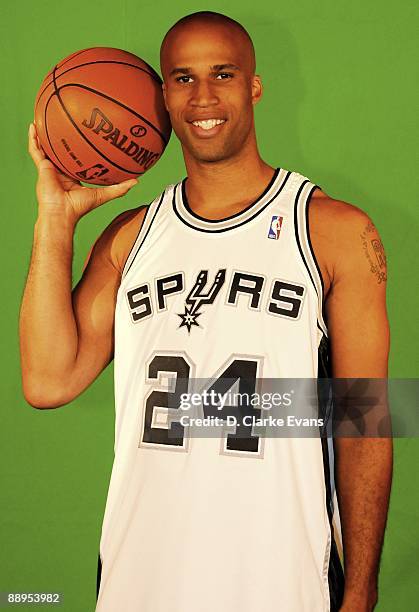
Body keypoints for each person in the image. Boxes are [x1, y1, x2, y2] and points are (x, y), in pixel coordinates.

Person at [20, 11, 392, 612]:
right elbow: (46, 380)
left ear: (254, 85)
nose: (203, 97)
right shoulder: (129, 238)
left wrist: (361, 592)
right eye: (183, 78)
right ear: (163, 98)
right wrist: (56, 217)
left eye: (222, 73)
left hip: (280, 577)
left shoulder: (333, 231)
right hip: (139, 575)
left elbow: (365, 424)